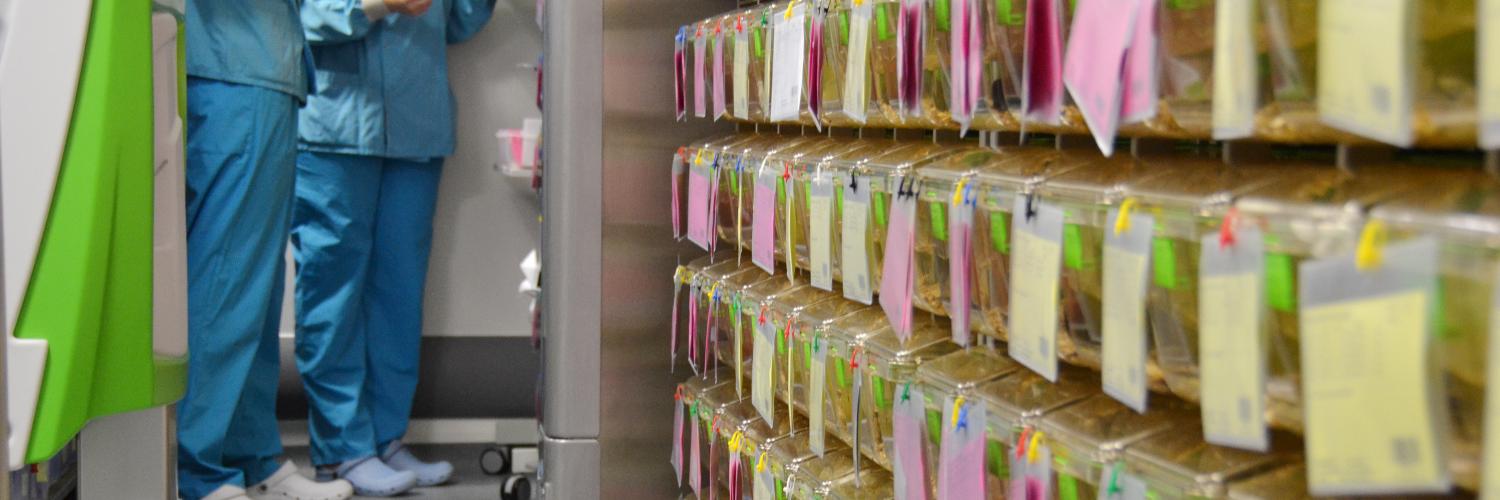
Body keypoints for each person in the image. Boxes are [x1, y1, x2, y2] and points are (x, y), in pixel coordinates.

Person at [293, 0, 495, 496]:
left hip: (415, 122)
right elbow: (303, 16)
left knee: (399, 294)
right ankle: (343, 449)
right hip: (334, 125)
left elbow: (460, 21)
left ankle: (387, 437)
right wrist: (377, 5)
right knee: (332, 293)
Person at [179, 1, 354, 500]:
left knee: (254, 289)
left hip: (263, 70)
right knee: (227, 278)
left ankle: (249, 455)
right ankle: (197, 467)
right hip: (235, 69)